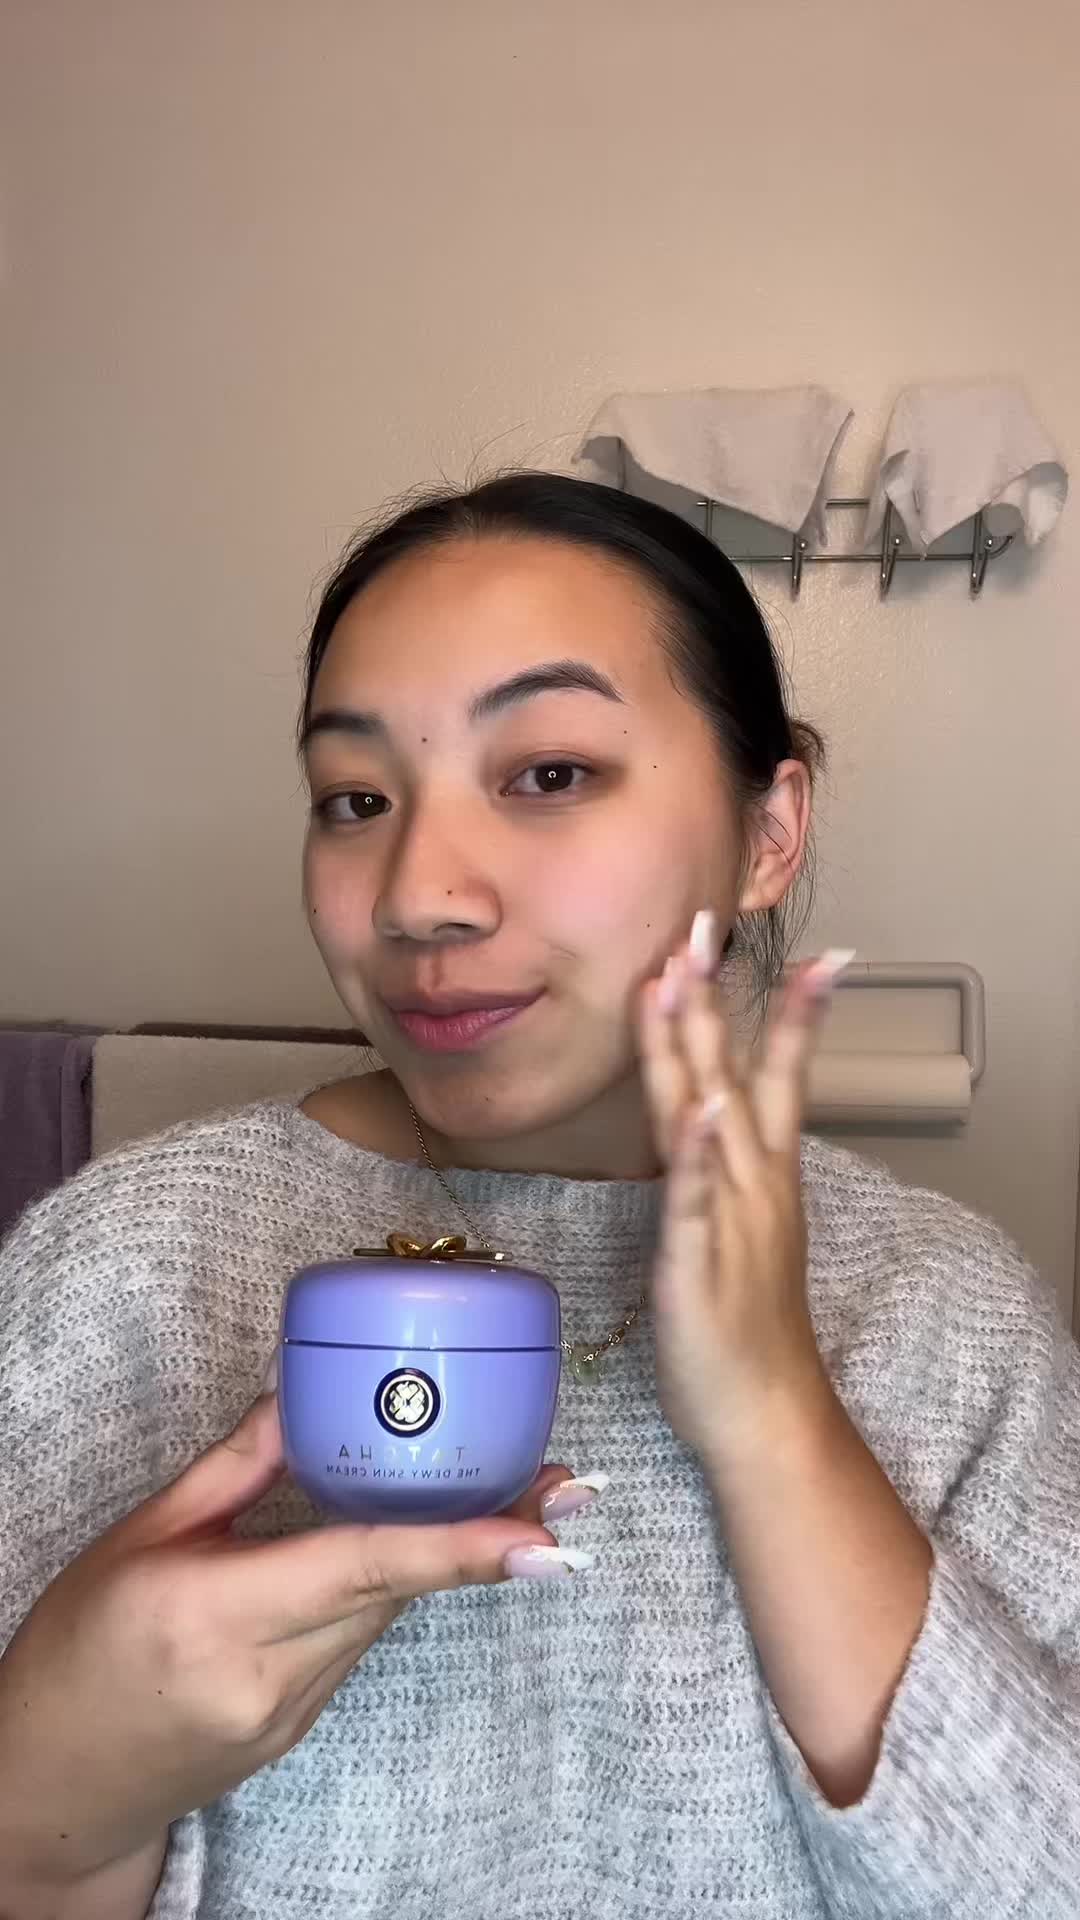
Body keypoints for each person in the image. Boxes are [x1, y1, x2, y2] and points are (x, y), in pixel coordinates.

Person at [1, 474, 1078, 1920]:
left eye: (550, 774)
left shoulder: (954, 1314)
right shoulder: (120, 1267)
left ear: (769, 831)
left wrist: (776, 1417)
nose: (418, 897)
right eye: (356, 799)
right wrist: (49, 1797)